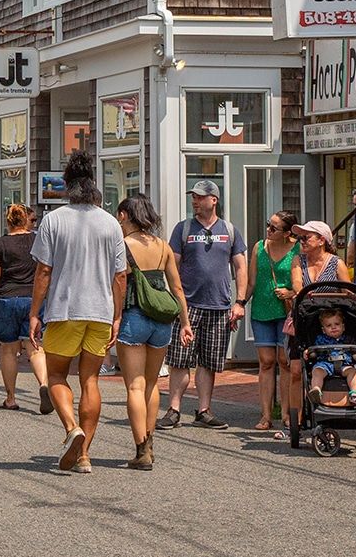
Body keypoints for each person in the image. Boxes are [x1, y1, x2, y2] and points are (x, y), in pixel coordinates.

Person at [28, 151, 127, 474]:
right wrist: (117, 315)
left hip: (65, 309)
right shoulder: (111, 223)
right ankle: (84, 455)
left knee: (56, 374)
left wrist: (34, 312)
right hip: (100, 310)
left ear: (67, 185)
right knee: (91, 380)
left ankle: (72, 428)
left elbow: (44, 271)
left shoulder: (54, 220)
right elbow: (120, 276)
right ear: (94, 185)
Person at [157, 180, 248, 432]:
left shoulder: (229, 230)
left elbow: (241, 266)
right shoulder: (183, 229)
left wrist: (239, 302)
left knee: (209, 362)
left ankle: (204, 410)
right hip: (188, 305)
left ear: (213, 200)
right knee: (179, 360)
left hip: (219, 305)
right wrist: (176, 298)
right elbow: (171, 265)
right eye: (193, 197)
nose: (195, 201)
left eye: (200, 197)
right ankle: (174, 409)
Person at [115, 193, 194, 470]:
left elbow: (118, 284)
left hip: (134, 316)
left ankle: (140, 450)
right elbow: (178, 288)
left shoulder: (122, 245)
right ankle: (150, 443)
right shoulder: (163, 246)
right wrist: (185, 322)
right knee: (151, 385)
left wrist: (113, 318)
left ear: (124, 215)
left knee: (134, 385)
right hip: (163, 319)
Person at [0, 203, 50, 413]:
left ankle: (10, 398)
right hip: (33, 299)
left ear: (8, 221)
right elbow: (47, 269)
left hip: (6, 300)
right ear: (26, 220)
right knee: (35, 346)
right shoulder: (38, 240)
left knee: (9, 351)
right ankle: (44, 384)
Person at [283, 221, 352, 414]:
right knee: (296, 370)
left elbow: (347, 290)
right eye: (299, 238)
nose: (301, 242)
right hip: (304, 319)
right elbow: (297, 283)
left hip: (328, 322)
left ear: (321, 240)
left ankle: (327, 407)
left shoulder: (336, 263)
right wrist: (303, 292)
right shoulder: (298, 260)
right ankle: (294, 418)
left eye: (306, 237)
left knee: (330, 364)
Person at [251, 209, 299, 436]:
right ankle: (266, 415)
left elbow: (302, 281)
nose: (268, 230)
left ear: (288, 232)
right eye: (268, 225)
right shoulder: (259, 247)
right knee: (266, 361)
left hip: (286, 311)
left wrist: (290, 292)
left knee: (285, 361)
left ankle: (287, 414)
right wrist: (240, 302)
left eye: (274, 228)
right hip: (261, 309)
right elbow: (252, 281)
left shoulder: (298, 250)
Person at [308, 307, 356, 408]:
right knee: (317, 372)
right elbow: (314, 354)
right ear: (323, 330)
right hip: (325, 364)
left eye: (337, 324)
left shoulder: (349, 339)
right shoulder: (320, 339)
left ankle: (354, 393)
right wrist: (310, 353)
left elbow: (355, 357)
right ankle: (317, 390)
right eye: (329, 325)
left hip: (345, 364)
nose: (333, 327)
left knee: (353, 372)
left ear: (343, 327)